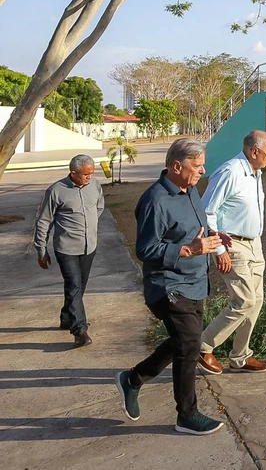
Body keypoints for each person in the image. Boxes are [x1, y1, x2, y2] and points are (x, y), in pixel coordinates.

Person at [114, 138, 229, 436]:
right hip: (168, 285)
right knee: (190, 345)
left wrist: (216, 239)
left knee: (185, 341)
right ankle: (186, 415)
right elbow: (146, 249)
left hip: (194, 281)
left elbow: (196, 231)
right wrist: (189, 250)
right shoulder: (154, 200)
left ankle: (133, 379)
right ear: (177, 166)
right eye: (198, 165)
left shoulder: (190, 190)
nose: (203, 170)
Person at [197, 130, 266, 375]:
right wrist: (218, 249)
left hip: (254, 244)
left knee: (256, 301)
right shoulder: (230, 172)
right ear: (254, 151)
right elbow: (206, 211)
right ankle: (202, 346)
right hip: (232, 245)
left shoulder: (256, 173)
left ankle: (240, 356)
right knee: (243, 301)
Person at [33, 154, 104, 347]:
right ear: (73, 173)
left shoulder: (95, 185)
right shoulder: (56, 191)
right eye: (85, 174)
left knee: (80, 285)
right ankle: (79, 330)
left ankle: (67, 317)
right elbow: (44, 221)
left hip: (89, 246)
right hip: (66, 248)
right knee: (73, 284)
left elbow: (99, 207)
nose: (89, 177)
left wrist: (90, 226)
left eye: (91, 173)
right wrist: (41, 249)